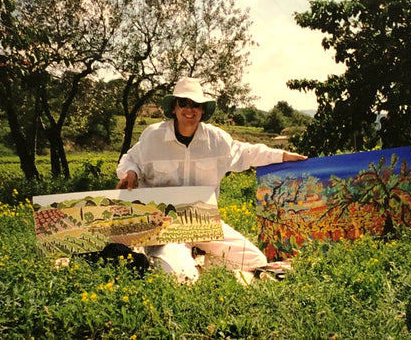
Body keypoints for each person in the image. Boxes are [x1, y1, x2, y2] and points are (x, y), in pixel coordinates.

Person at [116, 77, 307, 282]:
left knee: (256, 260)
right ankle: (170, 261)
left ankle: (199, 261)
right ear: (174, 107)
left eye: (196, 104)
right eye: (184, 103)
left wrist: (282, 156)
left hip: (203, 222)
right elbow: (130, 159)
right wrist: (131, 173)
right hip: (164, 227)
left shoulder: (217, 140)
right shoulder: (152, 136)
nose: (190, 109)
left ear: (203, 110)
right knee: (180, 277)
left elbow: (248, 153)